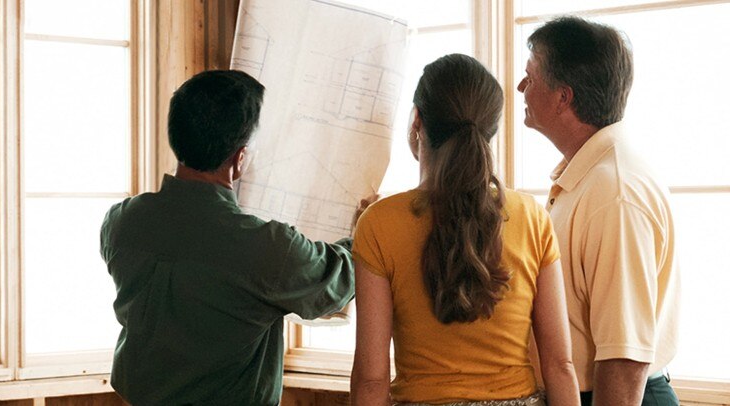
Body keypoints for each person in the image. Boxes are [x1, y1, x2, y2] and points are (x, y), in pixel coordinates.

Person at [100, 70, 358, 405]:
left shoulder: (121, 222)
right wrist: (365, 231)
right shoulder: (265, 248)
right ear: (239, 159)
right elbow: (339, 279)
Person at [350, 54, 580, 405]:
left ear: (416, 121)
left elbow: (371, 379)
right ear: (490, 130)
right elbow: (560, 366)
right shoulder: (532, 217)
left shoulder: (379, 223)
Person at [518, 16, 680, 405]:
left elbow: (625, 357)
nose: (521, 87)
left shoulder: (615, 192)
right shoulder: (593, 175)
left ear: (563, 97)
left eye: (531, 76)